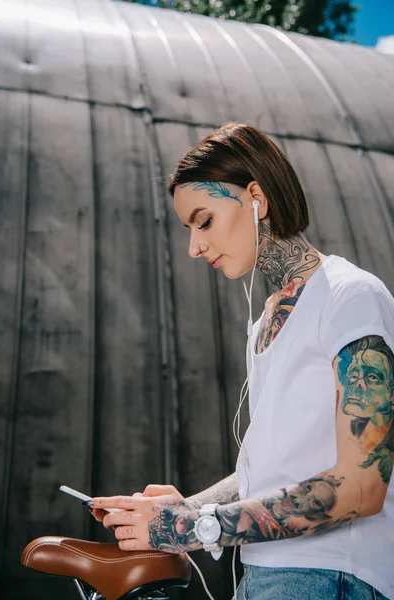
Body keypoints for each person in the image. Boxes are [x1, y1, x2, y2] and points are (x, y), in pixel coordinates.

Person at [89, 122, 394, 600]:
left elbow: (363, 485)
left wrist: (196, 526)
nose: (194, 247)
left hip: (330, 575)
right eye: (188, 229)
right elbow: (277, 470)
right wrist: (185, 508)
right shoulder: (265, 321)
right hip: (263, 574)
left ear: (257, 197)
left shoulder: (350, 296)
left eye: (204, 220)